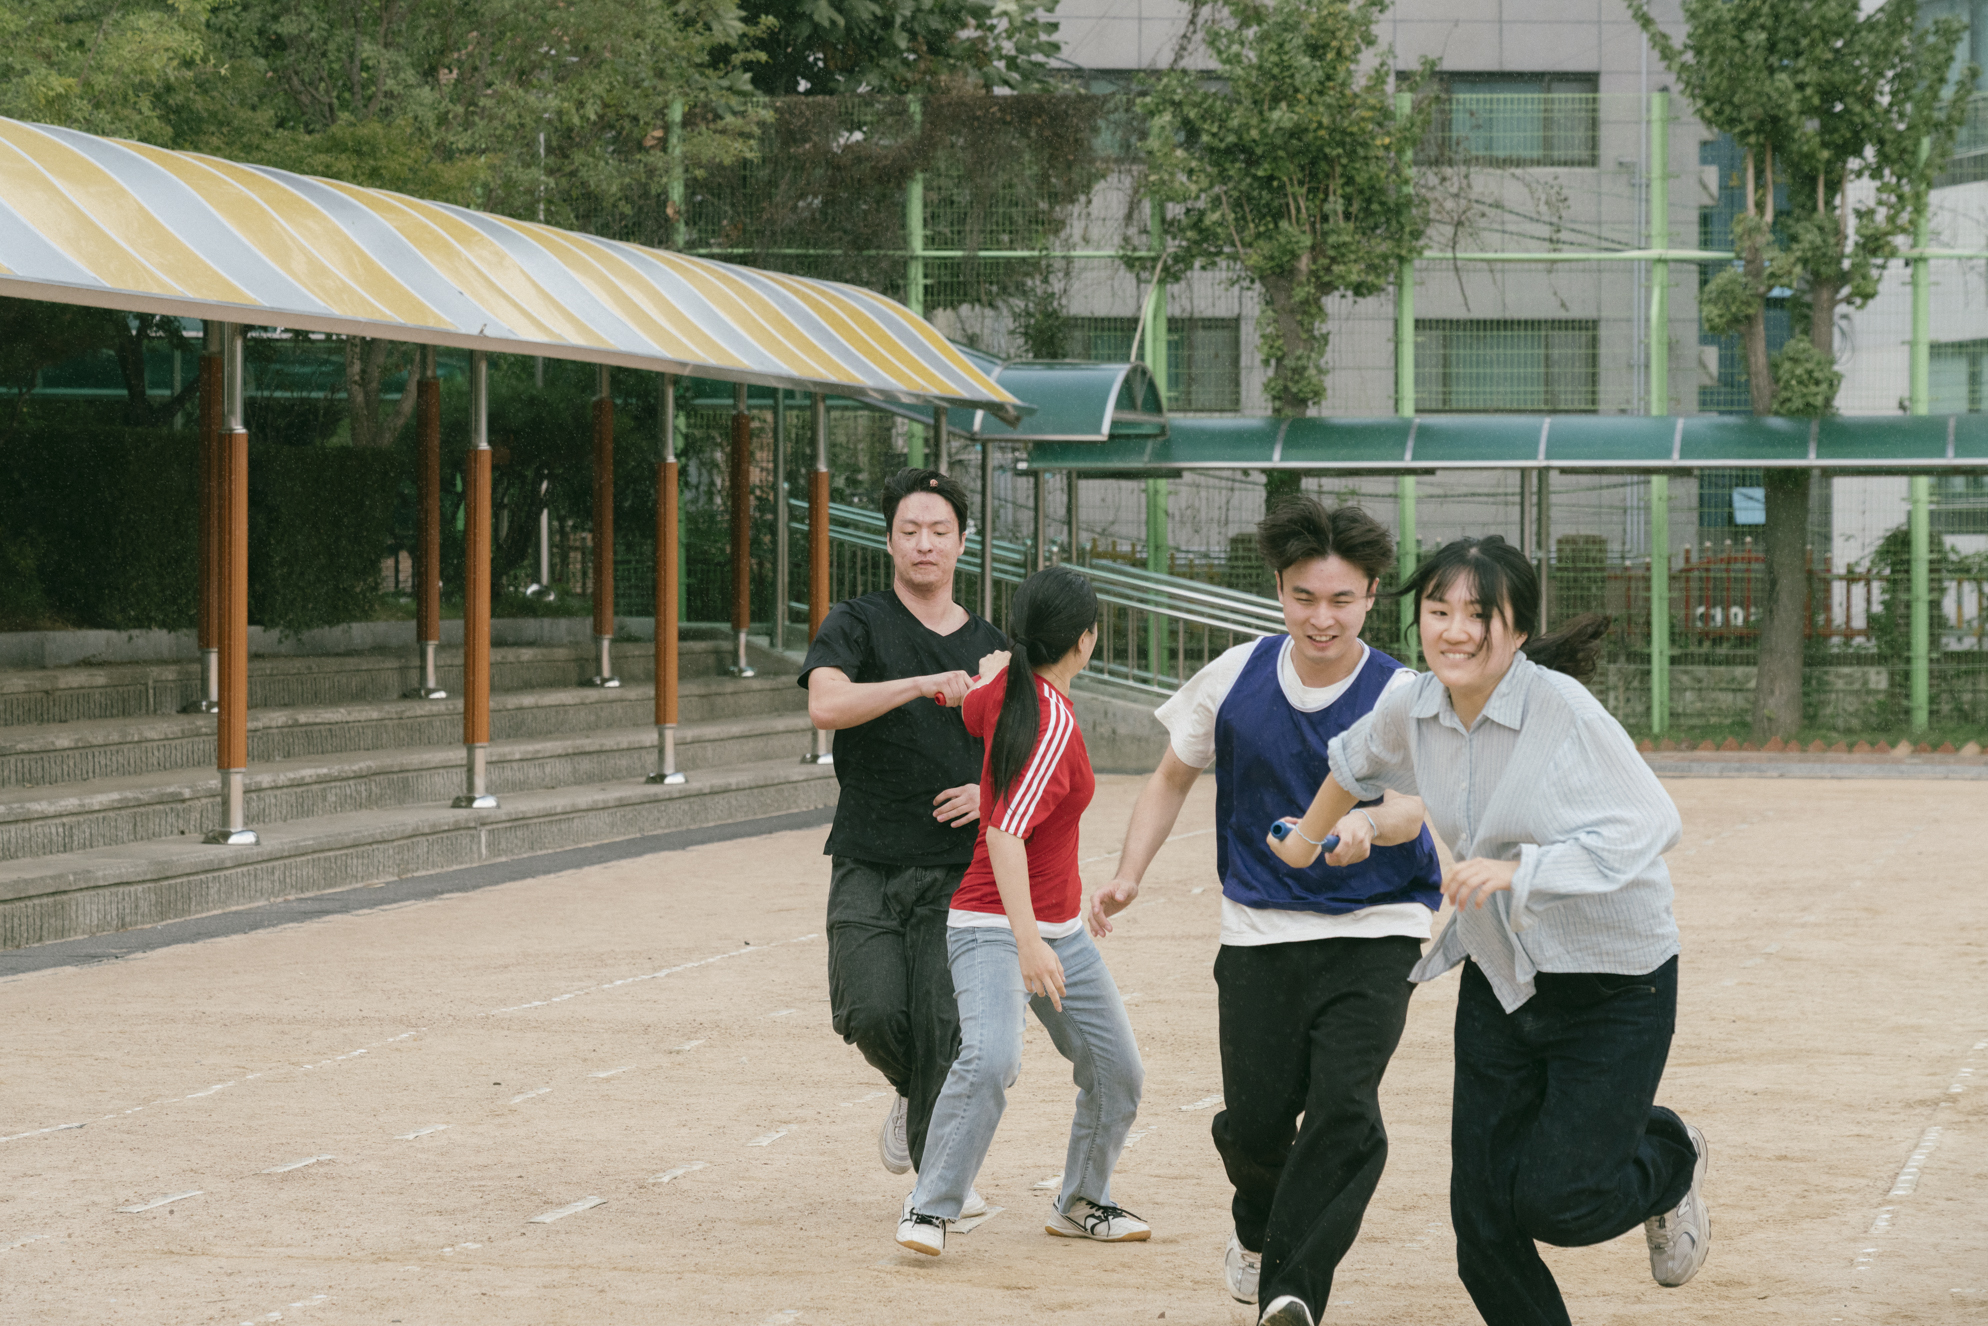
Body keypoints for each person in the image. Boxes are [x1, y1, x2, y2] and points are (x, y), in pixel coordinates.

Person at [1266, 534, 1709, 1326]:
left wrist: (1519, 871)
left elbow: (1652, 824)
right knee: (1481, 1224)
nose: (1455, 630)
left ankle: (1670, 1157)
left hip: (1614, 983)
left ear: (1519, 628)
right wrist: (1305, 840)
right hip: (1503, 974)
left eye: (1479, 614)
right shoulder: (1414, 705)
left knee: (1561, 1201)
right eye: (1439, 611)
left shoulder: (1564, 712)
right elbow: (1353, 762)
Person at [1088, 498, 1442, 1326]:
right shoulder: (1234, 677)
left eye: (1343, 599)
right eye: (1304, 597)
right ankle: (1256, 1225)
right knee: (1254, 1128)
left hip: (1377, 925)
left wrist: (1362, 827)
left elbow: (1412, 808)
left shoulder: (1402, 693)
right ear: (1279, 589)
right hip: (1259, 929)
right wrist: (1129, 873)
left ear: (1372, 594)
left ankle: (1292, 1290)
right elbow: (1171, 776)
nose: (1323, 618)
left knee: (1344, 1110)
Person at [895, 565, 1149, 1257]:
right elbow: (1005, 834)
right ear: (1086, 640)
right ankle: (929, 1207)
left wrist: (992, 672)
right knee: (991, 1058)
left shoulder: (1009, 693)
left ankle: (1082, 1201)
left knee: (1118, 1070)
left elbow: (976, 708)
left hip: (1058, 926)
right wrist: (1029, 942)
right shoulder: (1051, 721)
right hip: (992, 923)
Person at [799, 468, 1009, 1210]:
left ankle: (938, 1185)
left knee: (944, 1028)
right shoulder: (856, 623)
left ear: (962, 542)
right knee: (871, 1012)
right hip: (868, 853)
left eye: (939, 531)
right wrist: (920, 685)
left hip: (960, 869)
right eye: (910, 530)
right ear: (889, 541)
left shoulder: (994, 646)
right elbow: (826, 704)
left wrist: (988, 791)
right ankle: (907, 1090)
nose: (925, 543)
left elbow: (1032, 749)